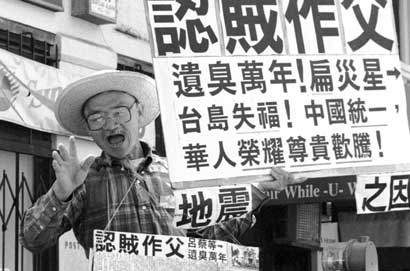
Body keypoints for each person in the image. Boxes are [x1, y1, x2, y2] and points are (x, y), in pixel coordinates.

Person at [20, 70, 306, 257]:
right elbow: (33, 240)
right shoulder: (85, 181)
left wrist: (258, 192)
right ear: (89, 129)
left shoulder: (177, 173)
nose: (109, 124)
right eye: (96, 118)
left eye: (119, 112)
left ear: (140, 113)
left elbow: (213, 236)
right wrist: (60, 194)